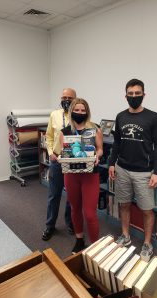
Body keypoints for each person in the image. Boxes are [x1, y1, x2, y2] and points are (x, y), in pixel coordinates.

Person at [108, 78, 157, 262]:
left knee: (147, 210)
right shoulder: (120, 116)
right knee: (123, 204)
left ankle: (147, 243)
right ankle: (125, 235)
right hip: (122, 168)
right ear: (125, 96)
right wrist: (111, 163)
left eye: (137, 94)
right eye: (130, 94)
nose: (134, 97)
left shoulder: (153, 117)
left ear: (143, 95)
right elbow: (116, 143)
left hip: (144, 172)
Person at [60, 98, 103, 254]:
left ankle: (95, 245)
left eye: (82, 110)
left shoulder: (95, 129)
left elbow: (100, 149)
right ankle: (79, 239)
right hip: (71, 175)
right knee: (75, 209)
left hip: (90, 175)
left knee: (90, 213)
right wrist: (60, 157)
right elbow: (61, 152)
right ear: (72, 111)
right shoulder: (65, 132)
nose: (79, 113)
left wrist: (97, 155)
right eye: (76, 110)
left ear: (87, 112)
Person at [42, 88, 76, 241]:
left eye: (69, 97)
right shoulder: (54, 115)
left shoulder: (80, 115)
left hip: (72, 161)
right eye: (64, 97)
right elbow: (48, 136)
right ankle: (50, 225)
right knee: (53, 195)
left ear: (75, 99)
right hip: (57, 160)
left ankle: (70, 223)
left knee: (72, 196)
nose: (66, 100)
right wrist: (50, 153)